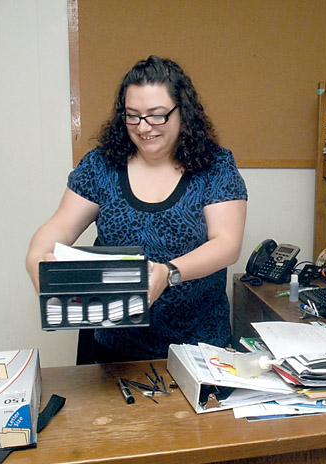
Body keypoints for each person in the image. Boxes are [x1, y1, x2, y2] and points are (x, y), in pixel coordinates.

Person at [26, 56, 247, 361]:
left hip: (199, 347)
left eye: (157, 116)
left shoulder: (215, 165)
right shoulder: (101, 164)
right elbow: (61, 226)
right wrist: (37, 257)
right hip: (116, 348)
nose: (143, 127)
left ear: (183, 112)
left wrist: (168, 273)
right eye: (133, 116)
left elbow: (227, 244)